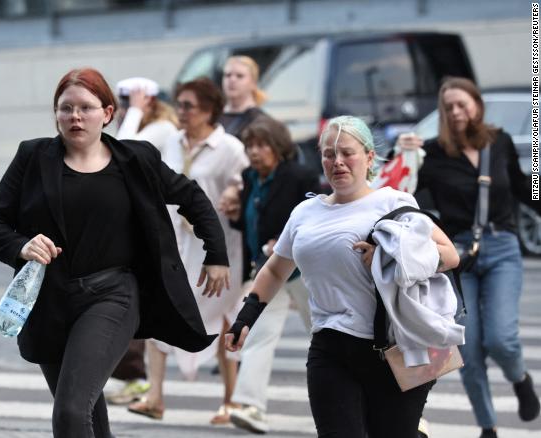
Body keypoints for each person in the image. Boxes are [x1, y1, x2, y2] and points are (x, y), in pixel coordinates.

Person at [0, 67, 230, 438]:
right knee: (89, 418)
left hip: (111, 296)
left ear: (107, 113)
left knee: (69, 412)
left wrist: (216, 254)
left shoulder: (135, 159)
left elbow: (191, 196)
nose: (75, 117)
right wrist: (21, 245)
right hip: (48, 302)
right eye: (66, 108)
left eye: (85, 107)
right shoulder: (32, 158)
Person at [226, 115, 461, 437]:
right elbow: (276, 269)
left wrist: (389, 259)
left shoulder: (392, 202)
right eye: (328, 154)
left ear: (368, 156)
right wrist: (246, 317)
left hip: (392, 347)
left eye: (346, 153)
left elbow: (449, 255)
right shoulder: (305, 213)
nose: (337, 162)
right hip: (330, 348)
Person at [396, 77, 541, 438]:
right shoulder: (432, 153)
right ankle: (487, 426)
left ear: (476, 104)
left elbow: (523, 187)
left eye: (462, 104)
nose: (456, 112)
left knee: (501, 338)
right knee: (468, 347)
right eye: (448, 107)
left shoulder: (501, 142)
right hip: (458, 257)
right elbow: (400, 194)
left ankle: (520, 377)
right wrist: (404, 156)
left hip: (503, 248)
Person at [127, 77, 248, 424]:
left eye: (188, 106)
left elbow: (243, 186)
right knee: (157, 311)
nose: (181, 111)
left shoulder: (230, 148)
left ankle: (231, 400)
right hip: (174, 243)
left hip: (216, 248)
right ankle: (155, 396)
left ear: (209, 111)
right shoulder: (172, 142)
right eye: (178, 104)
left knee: (224, 318)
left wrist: (233, 197)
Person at [218, 116, 319, 433]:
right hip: (266, 270)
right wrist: (235, 215)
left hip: (303, 271)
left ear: (278, 147)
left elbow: (315, 215)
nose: (255, 152)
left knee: (324, 333)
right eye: (250, 146)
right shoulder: (250, 177)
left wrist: (284, 239)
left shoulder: (299, 176)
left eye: (262, 145)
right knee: (259, 335)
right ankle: (250, 405)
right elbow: (250, 222)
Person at [106, 77, 179, 405]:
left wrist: (133, 112)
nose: (122, 109)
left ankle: (140, 379)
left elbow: (123, 150)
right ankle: (134, 376)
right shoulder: (144, 126)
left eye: (129, 102)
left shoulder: (162, 128)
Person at [115, 77, 178, 150]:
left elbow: (123, 150)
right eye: (122, 105)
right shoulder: (139, 126)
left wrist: (135, 109)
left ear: (150, 102)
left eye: (128, 105)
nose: (123, 111)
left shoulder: (164, 127)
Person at [219, 56, 268, 137]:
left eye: (239, 76)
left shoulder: (260, 121)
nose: (232, 80)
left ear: (253, 83)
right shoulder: (212, 117)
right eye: (228, 75)